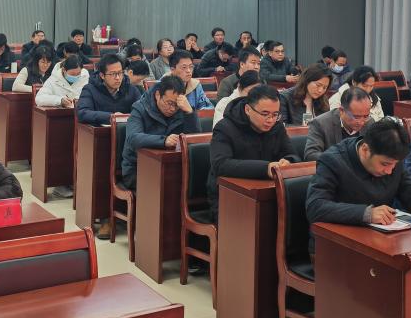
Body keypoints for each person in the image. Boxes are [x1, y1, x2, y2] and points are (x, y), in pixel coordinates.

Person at [305, 120, 411, 251]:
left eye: (394, 165)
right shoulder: (333, 160)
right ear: (365, 149)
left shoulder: (393, 158)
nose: (389, 171)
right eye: (385, 164)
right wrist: (367, 214)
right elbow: (315, 207)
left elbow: (410, 190)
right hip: (334, 246)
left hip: (382, 242)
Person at [208, 85, 298, 220]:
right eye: (265, 114)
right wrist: (266, 168)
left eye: (275, 115)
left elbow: (293, 155)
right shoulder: (225, 128)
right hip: (229, 197)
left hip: (270, 194)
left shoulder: (277, 127)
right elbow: (221, 164)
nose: (270, 120)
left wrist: (289, 161)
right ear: (248, 109)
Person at [121, 76, 195, 190]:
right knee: (168, 186)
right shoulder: (140, 108)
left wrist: (190, 113)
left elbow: (195, 141)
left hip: (172, 167)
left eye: (176, 105)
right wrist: (164, 141)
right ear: (157, 95)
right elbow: (133, 138)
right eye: (169, 103)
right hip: (138, 168)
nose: (172, 109)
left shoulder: (181, 109)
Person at [305, 87, 375, 161]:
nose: (361, 122)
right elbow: (311, 154)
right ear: (341, 111)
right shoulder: (321, 123)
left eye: (366, 116)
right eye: (356, 117)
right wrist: (341, 160)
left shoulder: (369, 123)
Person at [77, 54, 141, 126]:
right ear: (102, 75)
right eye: (113, 74)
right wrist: (111, 117)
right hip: (101, 131)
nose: (117, 78)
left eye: (120, 73)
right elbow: (82, 113)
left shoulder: (131, 89)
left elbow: (141, 111)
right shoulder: (90, 89)